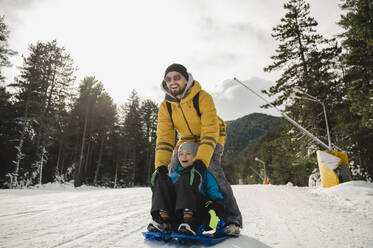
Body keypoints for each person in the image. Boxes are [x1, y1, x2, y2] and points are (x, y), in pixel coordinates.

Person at [150, 63, 242, 236]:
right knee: (169, 172)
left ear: (186, 79)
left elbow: (209, 132)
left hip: (212, 135)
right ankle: (171, 217)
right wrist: (160, 165)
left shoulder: (202, 97)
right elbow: (164, 139)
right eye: (168, 79)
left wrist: (201, 163)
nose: (172, 82)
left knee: (212, 171)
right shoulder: (166, 106)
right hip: (186, 138)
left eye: (177, 77)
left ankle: (232, 220)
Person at [148, 142, 225, 235]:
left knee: (186, 177)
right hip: (176, 212)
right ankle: (163, 220)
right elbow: (165, 194)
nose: (184, 157)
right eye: (180, 154)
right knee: (162, 178)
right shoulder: (174, 175)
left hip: (197, 212)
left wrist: (216, 206)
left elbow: (214, 192)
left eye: (188, 153)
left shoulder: (204, 174)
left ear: (196, 156)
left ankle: (189, 221)